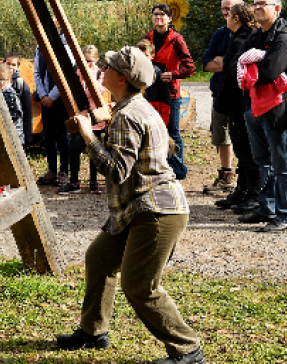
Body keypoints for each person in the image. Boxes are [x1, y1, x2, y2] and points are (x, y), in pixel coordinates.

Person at [54, 46, 203, 364]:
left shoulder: (128, 115)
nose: (101, 70)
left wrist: (88, 137)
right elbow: (161, 148)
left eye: (106, 67)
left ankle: (188, 350)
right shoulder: (135, 107)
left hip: (156, 212)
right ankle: (93, 332)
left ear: (120, 78)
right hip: (139, 208)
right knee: (99, 258)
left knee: (140, 287)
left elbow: (117, 171)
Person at [238, 0, 287, 232]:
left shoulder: (284, 36)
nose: (257, 7)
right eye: (256, 4)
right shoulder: (256, 35)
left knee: (282, 162)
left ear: (277, 8)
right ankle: (268, 207)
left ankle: (286, 215)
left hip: (278, 107)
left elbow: (271, 70)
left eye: (263, 4)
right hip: (254, 105)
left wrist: (252, 64)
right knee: (263, 160)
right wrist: (253, 63)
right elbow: (238, 61)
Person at [213, 3, 260, 213]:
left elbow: (235, 73)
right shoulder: (240, 38)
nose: (226, 17)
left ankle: (253, 193)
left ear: (237, 18)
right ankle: (242, 189)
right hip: (236, 103)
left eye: (229, 14)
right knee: (242, 148)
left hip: (240, 102)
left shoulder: (243, 39)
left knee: (246, 148)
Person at [144, 3, 195, 180]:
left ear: (169, 18)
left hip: (171, 93)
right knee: (153, 131)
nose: (158, 18)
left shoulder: (177, 39)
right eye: (155, 15)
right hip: (150, 92)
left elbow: (190, 68)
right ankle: (158, 168)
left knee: (173, 132)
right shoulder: (148, 38)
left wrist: (173, 75)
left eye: (162, 15)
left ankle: (177, 170)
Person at [201, 0, 243, 194]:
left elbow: (240, 64)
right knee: (221, 136)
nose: (226, 12)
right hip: (219, 95)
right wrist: (227, 63)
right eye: (223, 9)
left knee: (243, 137)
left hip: (241, 97)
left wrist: (223, 62)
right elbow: (206, 63)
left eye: (230, 8)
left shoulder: (248, 34)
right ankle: (226, 176)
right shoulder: (219, 34)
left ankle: (246, 179)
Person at [58, 45, 104, 196]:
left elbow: (98, 91)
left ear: (96, 60)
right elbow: (78, 93)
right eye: (84, 61)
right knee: (75, 149)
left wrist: (90, 76)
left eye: (90, 61)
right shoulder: (77, 74)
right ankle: (74, 182)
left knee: (93, 151)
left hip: (96, 119)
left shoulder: (100, 75)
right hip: (80, 117)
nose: (87, 64)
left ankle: (93, 181)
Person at [34, 21, 75, 187]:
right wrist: (43, 94)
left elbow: (67, 73)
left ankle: (64, 171)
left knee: (62, 135)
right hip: (45, 98)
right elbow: (37, 72)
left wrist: (52, 96)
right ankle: (51, 169)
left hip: (61, 98)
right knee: (48, 135)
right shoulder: (40, 47)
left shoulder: (66, 47)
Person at [4, 52, 33, 148]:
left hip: (17, 130)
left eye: (13, 65)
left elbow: (27, 111)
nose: (10, 67)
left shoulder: (21, 84)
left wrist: (28, 135)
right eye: (8, 63)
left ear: (18, 67)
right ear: (3, 63)